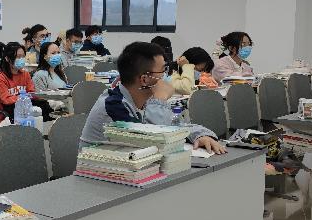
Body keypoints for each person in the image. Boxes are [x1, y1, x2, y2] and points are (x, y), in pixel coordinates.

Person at [80, 42, 226, 153]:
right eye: (163, 70)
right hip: (102, 179)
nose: (165, 75)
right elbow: (151, 143)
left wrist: (201, 136)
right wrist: (160, 100)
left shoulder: (144, 99)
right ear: (144, 79)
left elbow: (177, 126)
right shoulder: (113, 106)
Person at [0, 42, 40, 125]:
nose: (21, 59)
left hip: (25, 110)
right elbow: (6, 100)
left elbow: (32, 93)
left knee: (42, 107)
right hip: (7, 114)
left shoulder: (25, 74)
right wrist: (23, 98)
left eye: (23, 56)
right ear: (7, 58)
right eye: (18, 57)